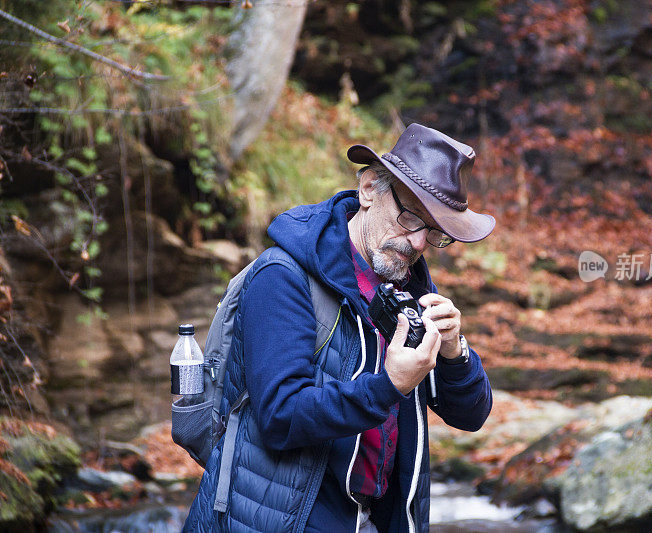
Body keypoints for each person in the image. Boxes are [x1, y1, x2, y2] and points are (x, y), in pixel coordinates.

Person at [183, 123, 495, 533]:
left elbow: (471, 415)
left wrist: (456, 353)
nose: (419, 244)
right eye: (410, 218)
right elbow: (280, 416)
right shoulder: (284, 276)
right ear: (368, 189)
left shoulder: (407, 286)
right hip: (273, 521)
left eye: (434, 233)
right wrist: (389, 385)